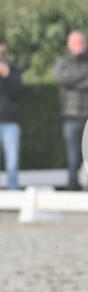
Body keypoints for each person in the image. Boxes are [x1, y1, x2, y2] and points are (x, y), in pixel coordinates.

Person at [53, 31, 88, 190]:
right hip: (71, 116)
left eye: (81, 42)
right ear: (69, 45)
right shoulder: (63, 62)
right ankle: (72, 188)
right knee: (72, 157)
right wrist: (84, 75)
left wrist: (74, 83)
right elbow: (62, 78)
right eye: (76, 43)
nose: (79, 46)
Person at [0, 36, 22, 189]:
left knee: (12, 163)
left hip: (10, 122)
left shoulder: (13, 68)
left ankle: (13, 192)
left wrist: (7, 76)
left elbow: (18, 92)